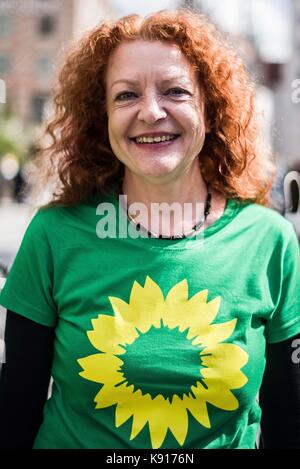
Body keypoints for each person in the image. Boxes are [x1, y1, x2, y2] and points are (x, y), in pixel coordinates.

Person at [0, 8, 299, 450]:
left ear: (210, 108)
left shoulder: (270, 242)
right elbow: (13, 416)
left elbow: (289, 424)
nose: (151, 112)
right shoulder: (52, 235)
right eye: (125, 96)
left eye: (175, 91)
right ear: (99, 115)